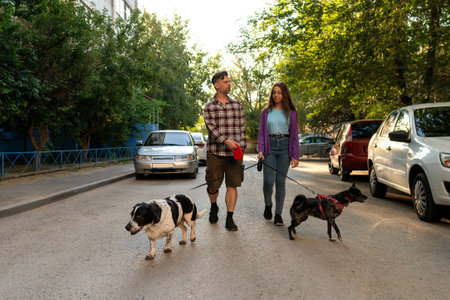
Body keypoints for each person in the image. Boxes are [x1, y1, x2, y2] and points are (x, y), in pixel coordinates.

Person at [204, 71, 247, 231]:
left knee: (232, 185)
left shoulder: (237, 105)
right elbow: (211, 129)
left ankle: (229, 217)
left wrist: (240, 146)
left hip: (234, 155)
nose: (229, 84)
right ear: (217, 85)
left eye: (229, 81)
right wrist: (226, 141)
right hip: (216, 152)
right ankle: (214, 205)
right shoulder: (209, 107)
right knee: (213, 186)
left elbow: (242, 127)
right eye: (226, 82)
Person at [257, 82, 299, 226]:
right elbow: (262, 133)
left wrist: (295, 155)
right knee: (268, 181)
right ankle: (268, 204)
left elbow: (294, 135)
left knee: (280, 182)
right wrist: (260, 150)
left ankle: (278, 214)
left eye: (279, 92)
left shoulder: (291, 112)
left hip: (285, 148)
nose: (276, 95)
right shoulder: (266, 112)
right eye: (274, 92)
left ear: (284, 94)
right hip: (270, 146)